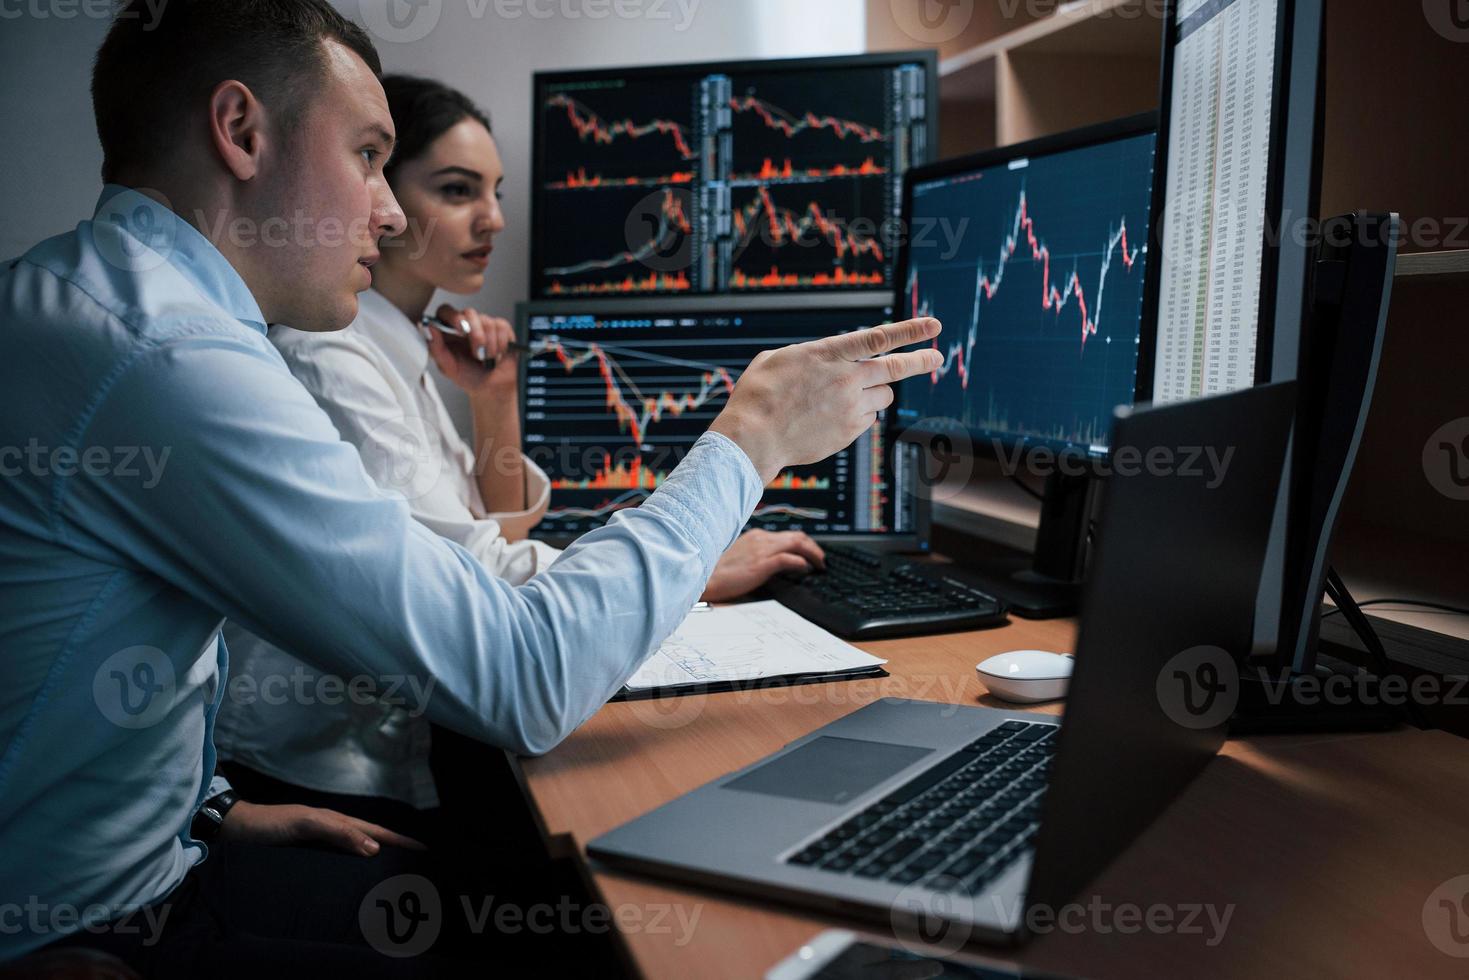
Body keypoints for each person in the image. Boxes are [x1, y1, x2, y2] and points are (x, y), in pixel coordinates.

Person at [0, 0, 942, 973]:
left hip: (161, 857)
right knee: (559, 932)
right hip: (88, 931)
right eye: (368, 155)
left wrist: (209, 806)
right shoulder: (167, 354)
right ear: (240, 132)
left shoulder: (91, 301)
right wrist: (748, 440)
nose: (392, 210)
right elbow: (523, 676)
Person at [213, 75, 827, 826]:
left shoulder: (402, 344)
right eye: (457, 190)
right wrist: (694, 568)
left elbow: (499, 539)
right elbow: (487, 582)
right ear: (386, 194)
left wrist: (493, 398)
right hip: (322, 770)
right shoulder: (330, 355)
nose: (493, 219)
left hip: (394, 748)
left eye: (495, 192)